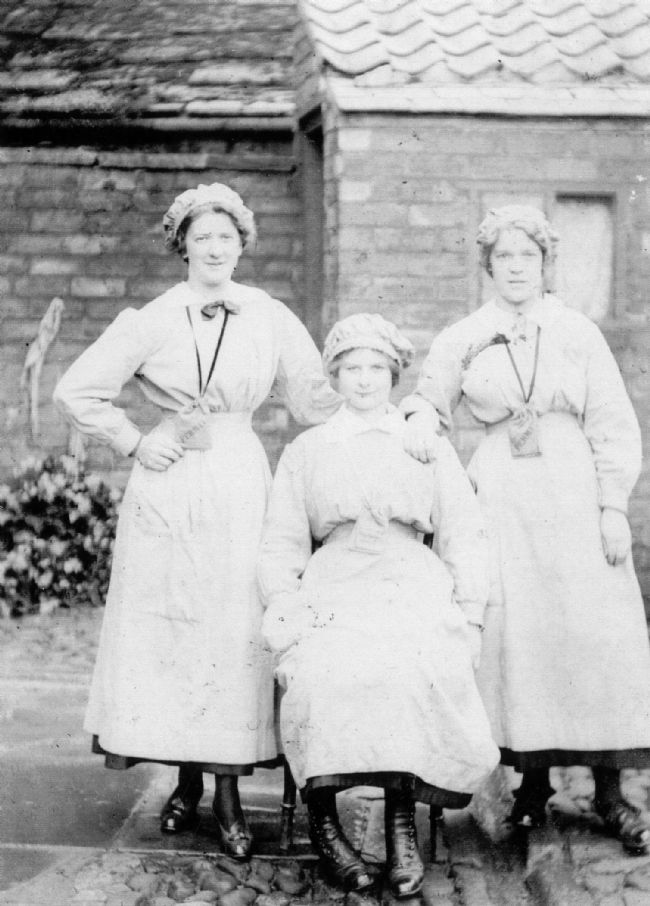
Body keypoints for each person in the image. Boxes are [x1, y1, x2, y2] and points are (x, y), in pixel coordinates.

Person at [53, 182, 345, 858]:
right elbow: (77, 390)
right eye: (202, 237)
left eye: (227, 237)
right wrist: (135, 441)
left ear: (243, 245)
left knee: (234, 626)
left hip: (239, 478)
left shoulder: (268, 314)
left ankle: (229, 793)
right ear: (182, 245)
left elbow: (313, 398)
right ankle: (186, 780)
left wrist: (379, 405)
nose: (215, 248)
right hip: (171, 481)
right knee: (178, 629)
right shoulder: (154, 317)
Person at [404, 205, 650, 854]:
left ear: (546, 263)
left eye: (528, 257)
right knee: (521, 637)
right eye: (504, 257)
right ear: (487, 265)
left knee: (593, 632)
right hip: (503, 500)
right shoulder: (465, 335)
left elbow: (611, 420)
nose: (517, 268)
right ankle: (531, 787)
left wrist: (612, 506)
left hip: (573, 493)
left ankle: (610, 792)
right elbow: (430, 399)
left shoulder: (576, 332)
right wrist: (421, 423)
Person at [258, 313, 499, 896]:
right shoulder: (309, 449)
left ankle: (400, 828)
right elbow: (281, 543)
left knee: (413, 669)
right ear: (334, 376)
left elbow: (464, 536)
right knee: (319, 672)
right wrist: (285, 610)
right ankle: (325, 825)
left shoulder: (425, 446)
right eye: (351, 368)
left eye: (376, 368)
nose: (364, 380)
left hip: (408, 581)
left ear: (394, 375)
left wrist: (469, 615)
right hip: (335, 583)